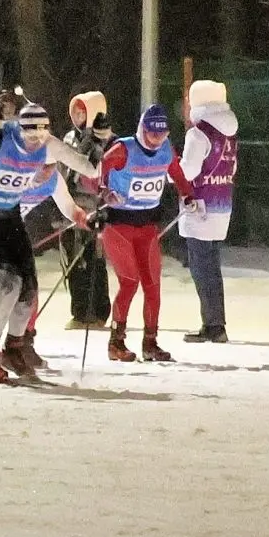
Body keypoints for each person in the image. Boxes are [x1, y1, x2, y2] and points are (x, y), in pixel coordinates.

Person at [0, 100, 97, 382]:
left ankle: (15, 348)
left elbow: (90, 169)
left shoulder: (49, 146)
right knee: (9, 284)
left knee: (28, 290)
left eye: (41, 137)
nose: (36, 144)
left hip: (9, 215)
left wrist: (98, 142)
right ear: (20, 130)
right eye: (30, 137)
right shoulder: (2, 138)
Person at [93, 105, 192, 364]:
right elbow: (98, 170)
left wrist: (187, 193)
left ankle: (150, 342)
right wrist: (104, 193)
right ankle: (116, 341)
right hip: (119, 225)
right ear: (142, 129)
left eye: (161, 134)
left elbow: (176, 171)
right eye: (151, 133)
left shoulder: (165, 149)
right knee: (129, 281)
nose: (156, 139)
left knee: (153, 285)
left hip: (147, 225)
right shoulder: (124, 149)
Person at [180, 78, 238, 342]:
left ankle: (213, 325)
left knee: (201, 268)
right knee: (213, 267)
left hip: (199, 207)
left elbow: (189, 170)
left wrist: (174, 173)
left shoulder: (198, 133)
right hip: (222, 204)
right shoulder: (228, 132)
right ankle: (217, 322)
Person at [60, 93, 115, 330]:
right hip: (69, 206)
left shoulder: (106, 139)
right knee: (72, 261)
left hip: (93, 207)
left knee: (94, 260)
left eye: (83, 112)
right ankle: (79, 310)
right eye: (75, 111)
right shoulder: (70, 137)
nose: (77, 116)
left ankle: (98, 311)